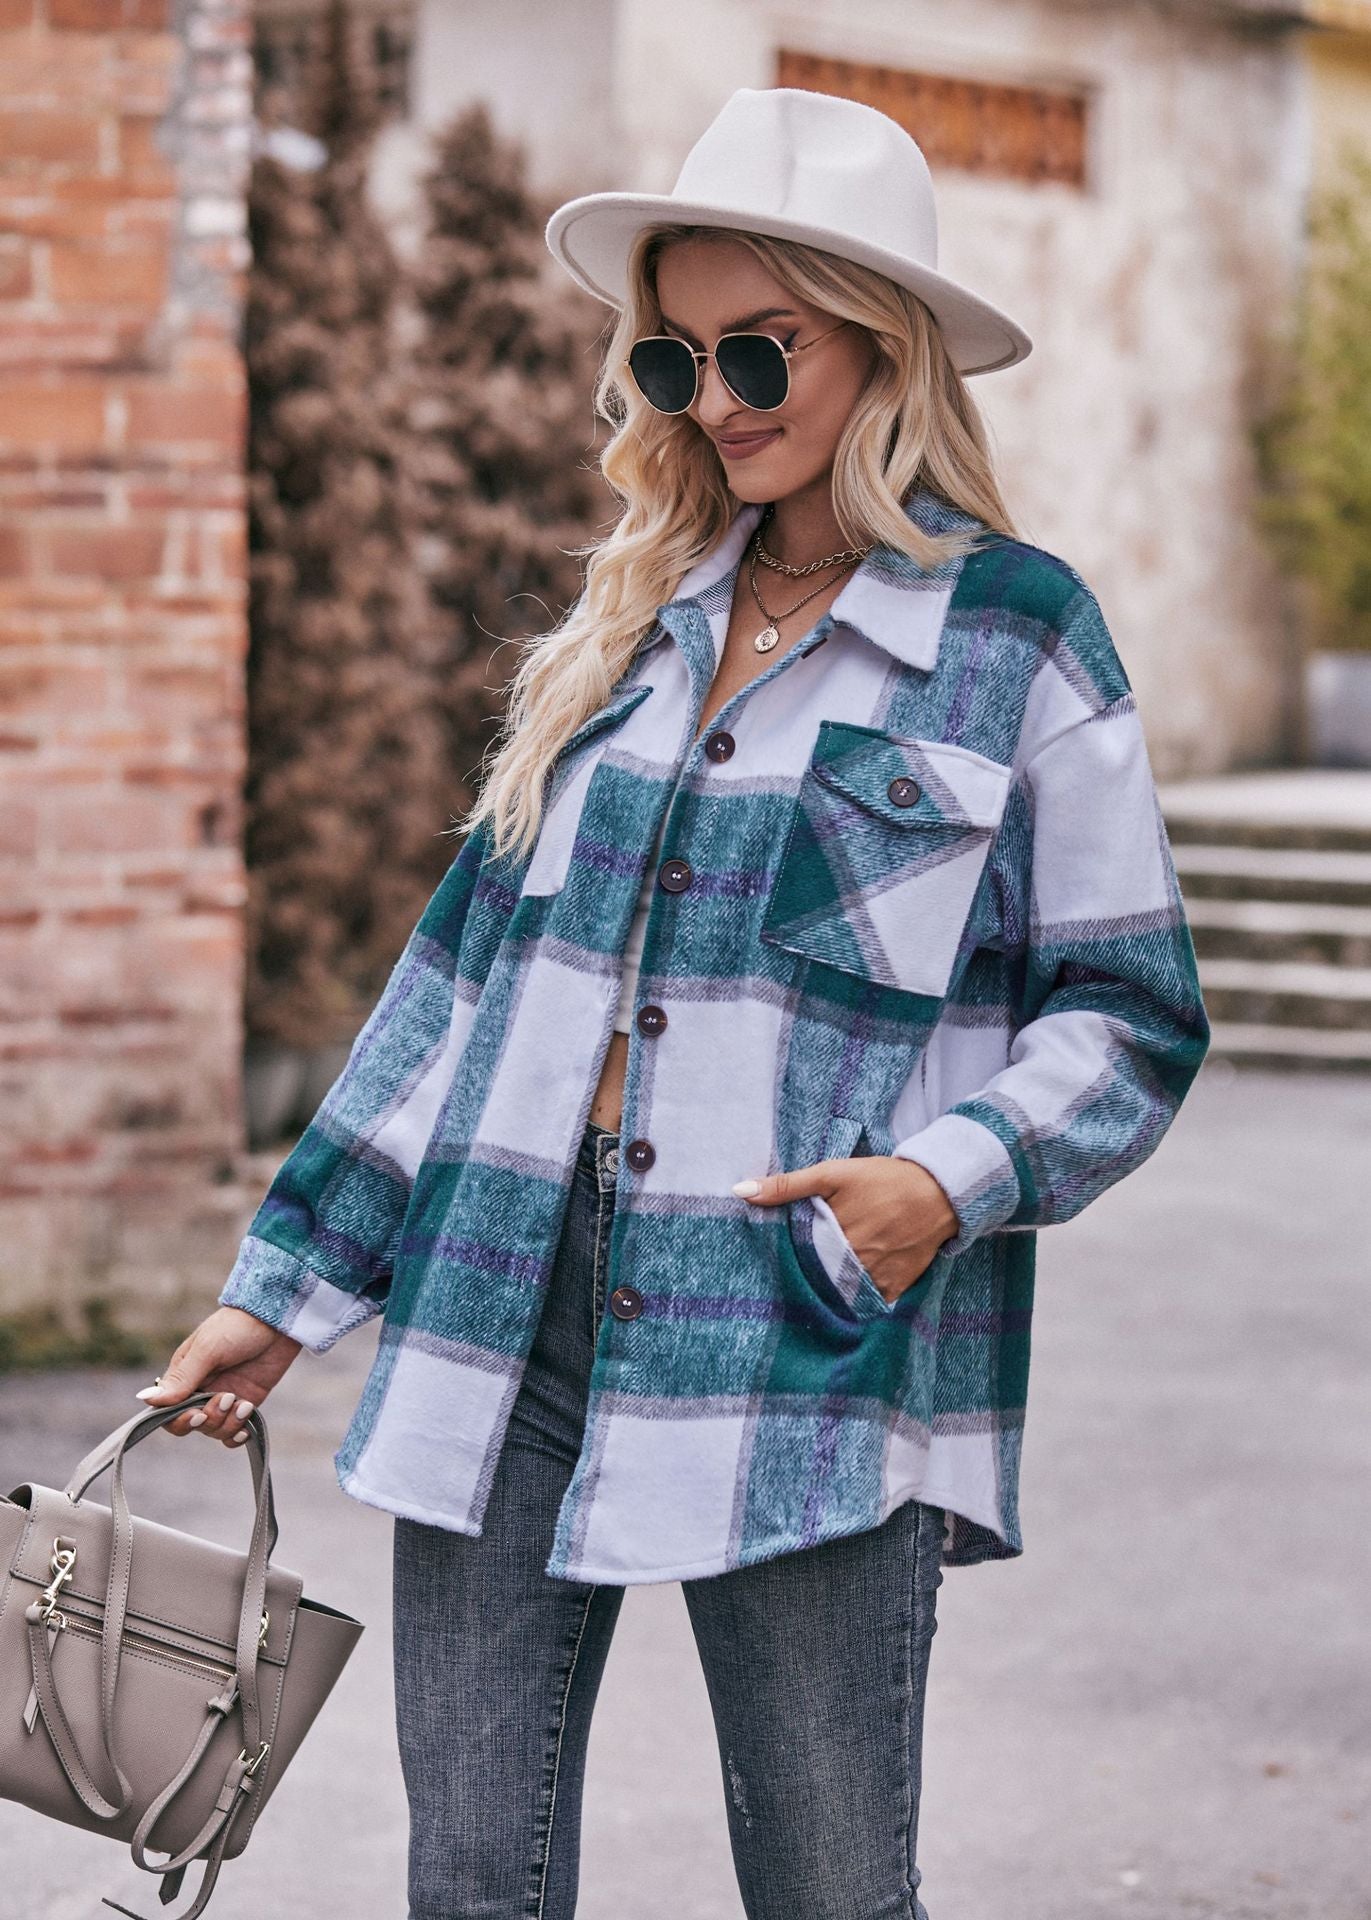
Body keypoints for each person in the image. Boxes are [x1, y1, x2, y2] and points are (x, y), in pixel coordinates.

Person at [134, 87, 1210, 1920]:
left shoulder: (1014, 636)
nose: (712, 400)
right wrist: (284, 1289)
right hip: (500, 1300)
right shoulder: (629, 626)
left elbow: (1129, 1009)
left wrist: (940, 1183)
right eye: (671, 357)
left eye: (758, 349)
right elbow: (458, 993)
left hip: (802, 1323)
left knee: (827, 1888)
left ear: (885, 344)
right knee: (471, 1886)